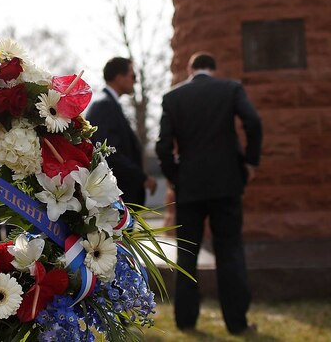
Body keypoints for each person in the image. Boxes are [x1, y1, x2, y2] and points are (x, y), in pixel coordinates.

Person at [155, 52, 262, 335]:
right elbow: (253, 122)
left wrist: (176, 177)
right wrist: (250, 162)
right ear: (213, 69)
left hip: (189, 186)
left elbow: (163, 146)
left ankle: (186, 320)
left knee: (186, 254)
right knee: (230, 252)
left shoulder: (173, 98)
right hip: (226, 183)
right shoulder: (230, 89)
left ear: (191, 69)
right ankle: (237, 322)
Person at [86, 57, 156, 206]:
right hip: (116, 198)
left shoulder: (110, 105)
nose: (135, 81)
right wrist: (142, 177)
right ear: (119, 78)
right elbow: (109, 154)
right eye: (133, 76)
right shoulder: (104, 106)